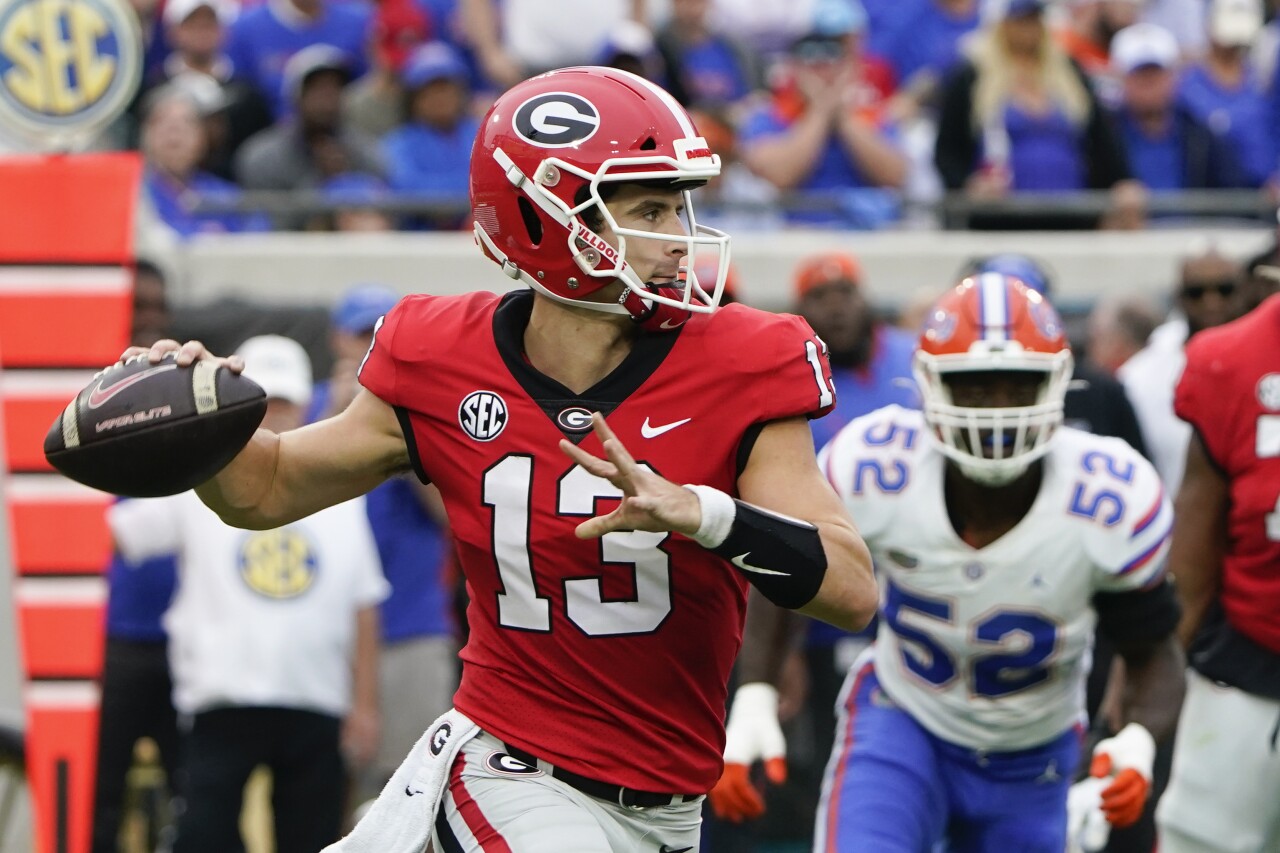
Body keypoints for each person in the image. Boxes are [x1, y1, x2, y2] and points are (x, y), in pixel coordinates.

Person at [120, 66, 878, 852]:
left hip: (664, 802)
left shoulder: (743, 359)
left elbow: (853, 590)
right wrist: (200, 425)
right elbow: (266, 488)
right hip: (510, 769)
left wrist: (709, 513)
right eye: (649, 209)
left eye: (679, 206)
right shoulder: (438, 354)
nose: (678, 236)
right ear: (546, 218)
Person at [714, 274, 1185, 852]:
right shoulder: (876, 466)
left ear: (1058, 384)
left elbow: (1152, 648)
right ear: (930, 387)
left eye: (1018, 385)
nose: (997, 409)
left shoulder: (1106, 496)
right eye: (974, 387)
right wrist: (757, 694)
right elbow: (794, 566)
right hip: (903, 723)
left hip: (1035, 752)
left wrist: (1136, 737)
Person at [107, 335, 388, 853]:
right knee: (204, 837)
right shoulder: (200, 480)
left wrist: (364, 705)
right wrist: (134, 424)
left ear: (307, 405)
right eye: (264, 402)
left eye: (285, 403)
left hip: (315, 696)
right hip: (221, 696)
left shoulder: (340, 494)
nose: (275, 416)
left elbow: (363, 602)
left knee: (311, 838)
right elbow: (117, 531)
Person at [1154, 291, 1280, 853]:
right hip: (1251, 660)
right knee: (1199, 836)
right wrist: (1152, 664)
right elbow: (1195, 544)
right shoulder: (1232, 356)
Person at [92, 261, 182, 853]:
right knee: (101, 793)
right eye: (137, 306)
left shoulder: (188, 390)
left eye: (157, 307)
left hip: (184, 633)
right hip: (115, 633)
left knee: (186, 796)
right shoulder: (91, 397)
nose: (148, 319)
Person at [1119, 247, 1248, 493]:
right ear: (1179, 297)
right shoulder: (1140, 375)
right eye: (1196, 292)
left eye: (1225, 289)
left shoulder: (1268, 354)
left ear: (1244, 290)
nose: (1212, 302)